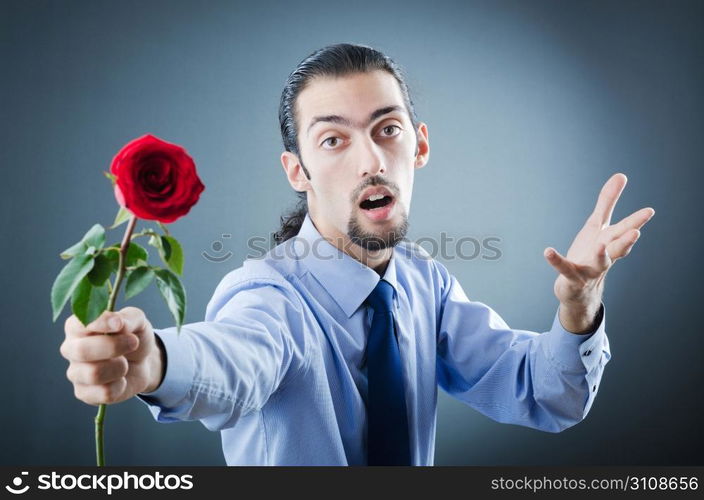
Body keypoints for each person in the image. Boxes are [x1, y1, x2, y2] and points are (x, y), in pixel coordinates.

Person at [60, 43, 655, 466]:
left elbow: (547, 393)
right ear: (298, 170)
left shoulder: (427, 285)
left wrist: (581, 305)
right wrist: (155, 362)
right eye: (333, 139)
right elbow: (232, 360)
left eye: (387, 129)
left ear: (419, 147)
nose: (370, 159)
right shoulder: (268, 296)